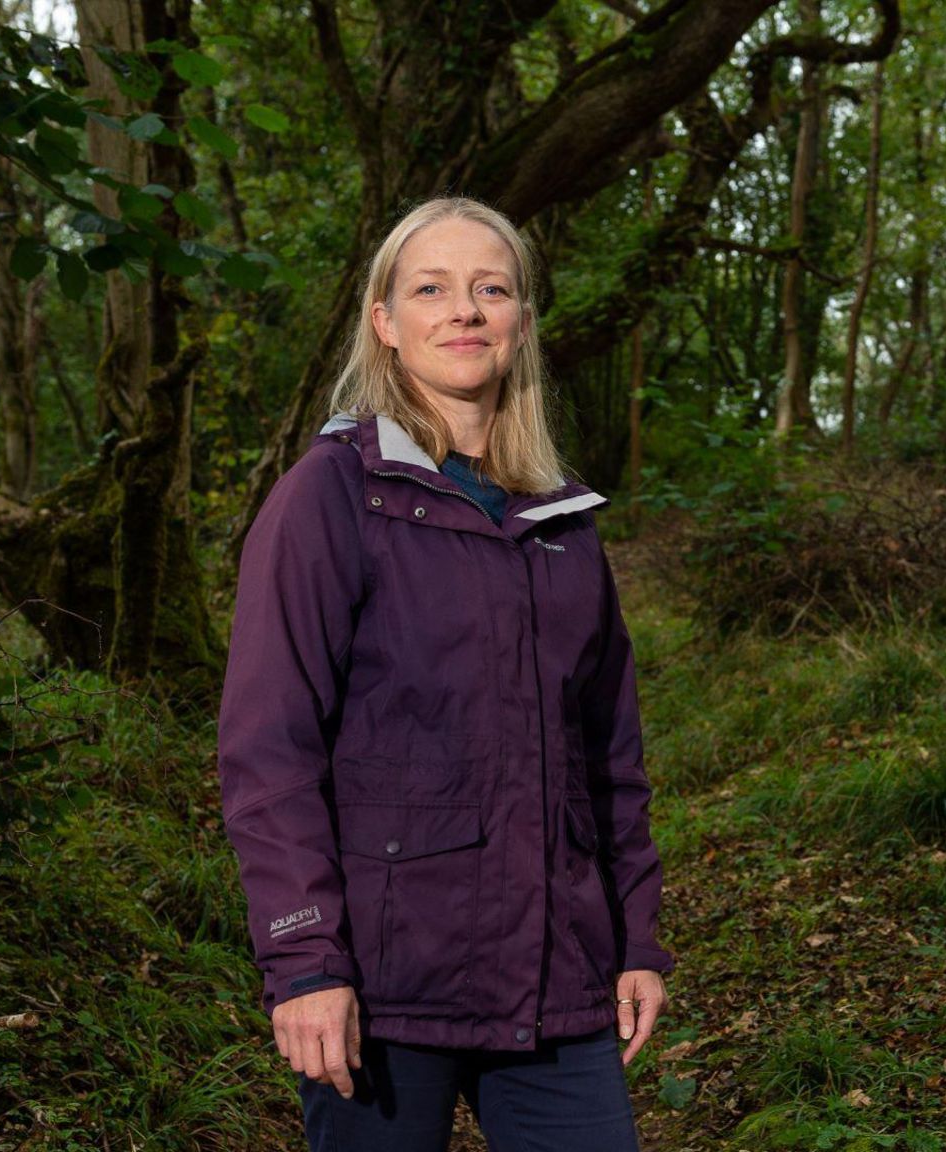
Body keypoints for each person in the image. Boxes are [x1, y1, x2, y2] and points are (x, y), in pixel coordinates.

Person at [216, 195, 674, 1151]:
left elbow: (609, 763)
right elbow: (270, 753)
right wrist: (304, 963)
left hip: (559, 984)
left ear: (521, 324)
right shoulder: (328, 500)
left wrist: (634, 940)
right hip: (382, 990)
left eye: (490, 288)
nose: (464, 309)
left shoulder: (562, 524)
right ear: (386, 324)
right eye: (432, 288)